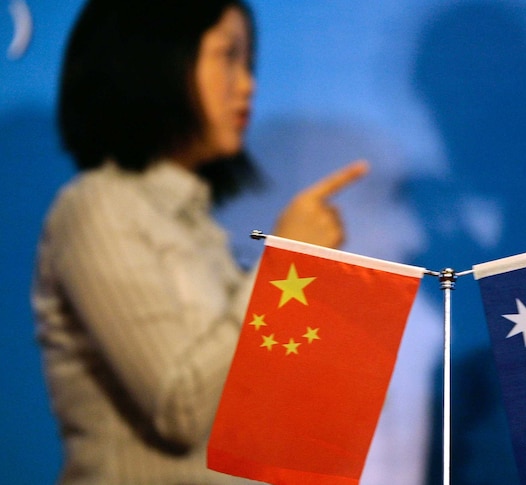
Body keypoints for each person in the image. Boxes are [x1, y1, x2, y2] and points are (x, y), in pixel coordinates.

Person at [31, 1, 368, 483]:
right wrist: (287, 264)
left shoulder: (201, 226)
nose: (248, 84)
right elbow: (182, 411)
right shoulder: (98, 206)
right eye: (227, 56)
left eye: (248, 63)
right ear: (154, 59)